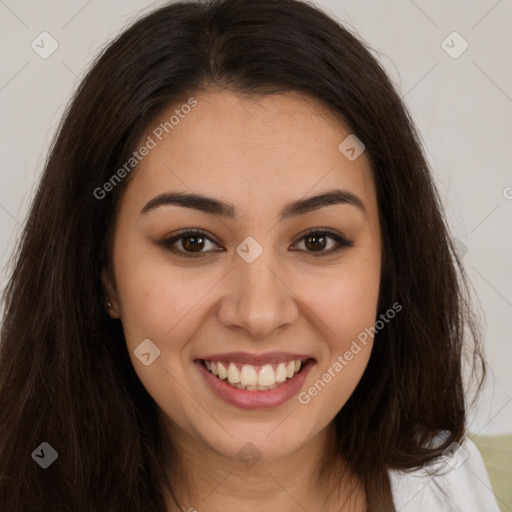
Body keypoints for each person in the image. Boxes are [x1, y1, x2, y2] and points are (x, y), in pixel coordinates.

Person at [0, 0, 500, 510]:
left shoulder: (449, 482)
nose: (259, 314)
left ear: (389, 266)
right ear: (103, 275)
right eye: (192, 242)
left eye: (317, 240)